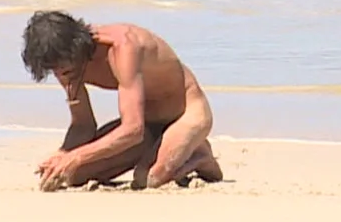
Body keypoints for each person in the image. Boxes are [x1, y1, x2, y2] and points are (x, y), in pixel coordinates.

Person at [21, 10, 224, 191]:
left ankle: (200, 155)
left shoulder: (123, 48)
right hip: (147, 125)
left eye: (64, 70)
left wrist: (75, 157)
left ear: (77, 48)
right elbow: (83, 126)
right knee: (74, 176)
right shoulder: (65, 64)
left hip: (185, 113)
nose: (62, 77)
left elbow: (132, 130)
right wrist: (62, 155)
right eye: (54, 72)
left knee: (148, 178)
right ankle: (157, 145)